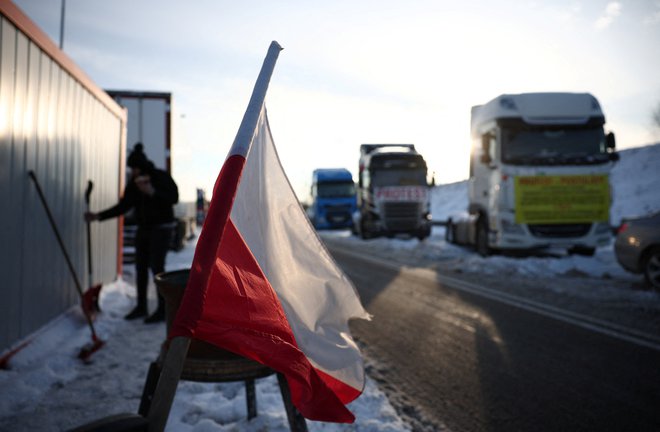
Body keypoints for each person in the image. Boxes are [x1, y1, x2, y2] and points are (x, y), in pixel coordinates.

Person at [86, 143, 179, 323]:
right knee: (140, 267)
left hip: (162, 229)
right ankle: (141, 307)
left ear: (141, 167)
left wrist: (151, 192)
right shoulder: (134, 186)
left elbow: (173, 198)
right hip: (144, 229)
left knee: (157, 267)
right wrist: (98, 216)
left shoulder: (160, 177)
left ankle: (162, 309)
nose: (133, 172)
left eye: (134, 168)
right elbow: (123, 206)